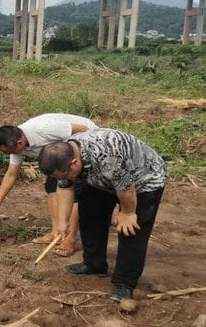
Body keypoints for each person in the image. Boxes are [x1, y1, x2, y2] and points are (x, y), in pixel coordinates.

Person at [37, 129, 167, 302]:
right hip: (101, 178)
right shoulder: (64, 154)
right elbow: (65, 186)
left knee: (130, 230)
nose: (64, 178)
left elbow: (127, 188)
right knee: (90, 215)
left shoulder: (108, 155)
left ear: (74, 163)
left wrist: (127, 212)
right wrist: (62, 223)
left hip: (143, 180)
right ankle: (94, 264)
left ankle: (124, 283)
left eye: (64, 174)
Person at [0, 114, 98, 257]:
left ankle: (70, 238)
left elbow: (84, 129)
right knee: (51, 186)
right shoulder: (15, 143)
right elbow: (11, 174)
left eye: (10, 152)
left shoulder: (43, 128)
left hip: (83, 147)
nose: (10, 154)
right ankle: (56, 232)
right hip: (57, 156)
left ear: (19, 143)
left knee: (76, 191)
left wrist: (77, 157)